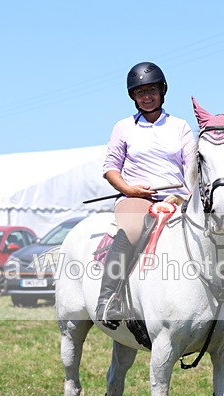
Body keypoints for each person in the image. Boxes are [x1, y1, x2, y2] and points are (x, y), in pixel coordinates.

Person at [95, 61, 196, 329]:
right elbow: (110, 168)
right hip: (137, 199)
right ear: (133, 97)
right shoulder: (123, 127)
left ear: (162, 91)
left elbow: (193, 170)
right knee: (130, 230)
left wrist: (183, 196)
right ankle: (108, 299)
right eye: (140, 93)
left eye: (151, 90)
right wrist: (129, 189)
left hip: (176, 200)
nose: (147, 97)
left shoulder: (181, 127)